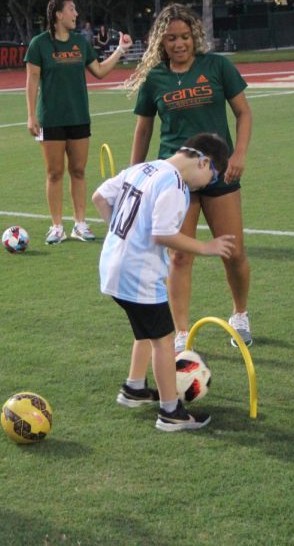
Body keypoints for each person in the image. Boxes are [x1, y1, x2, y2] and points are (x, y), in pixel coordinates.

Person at [124, 3, 253, 352]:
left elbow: (243, 112)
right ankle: (181, 332)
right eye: (170, 39)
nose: (179, 44)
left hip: (219, 172)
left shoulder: (217, 67)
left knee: (233, 251)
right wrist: (135, 176)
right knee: (180, 256)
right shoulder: (155, 79)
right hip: (175, 178)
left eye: (184, 37)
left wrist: (239, 154)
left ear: (194, 36)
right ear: (160, 42)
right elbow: (143, 130)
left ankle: (240, 315)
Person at [93, 133, 236, 431]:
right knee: (163, 340)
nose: (207, 184)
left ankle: (134, 388)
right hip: (138, 272)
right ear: (204, 161)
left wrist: (119, 234)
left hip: (112, 265)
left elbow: (99, 197)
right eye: (211, 176)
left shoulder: (143, 169)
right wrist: (206, 247)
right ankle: (170, 412)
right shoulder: (175, 184)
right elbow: (163, 234)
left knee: (146, 328)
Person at [26, 0, 133, 244]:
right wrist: (31, 115)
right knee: (54, 173)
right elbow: (31, 81)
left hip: (79, 117)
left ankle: (80, 224)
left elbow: (100, 71)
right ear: (58, 15)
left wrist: (120, 50)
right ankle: (56, 226)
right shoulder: (39, 44)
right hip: (50, 119)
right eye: (72, 9)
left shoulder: (80, 43)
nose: (76, 14)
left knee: (79, 171)